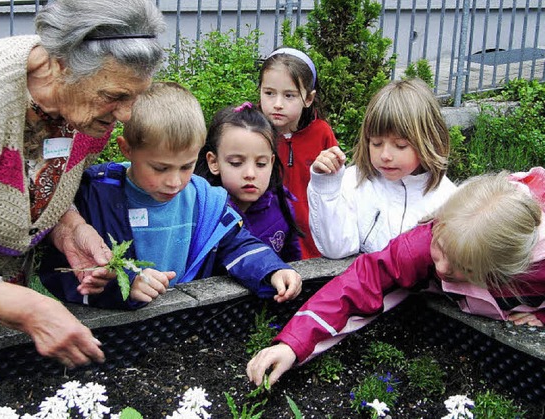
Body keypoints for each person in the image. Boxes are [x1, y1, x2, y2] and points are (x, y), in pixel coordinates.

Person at [0, 0, 165, 368]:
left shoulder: (87, 108)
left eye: (135, 97)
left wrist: (69, 228)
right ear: (61, 64)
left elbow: (31, 183)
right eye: (115, 97)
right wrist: (28, 307)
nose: (126, 115)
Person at [247, 168, 545, 387]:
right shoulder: (419, 246)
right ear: (438, 222)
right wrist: (292, 343)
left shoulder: (535, 269)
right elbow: (360, 283)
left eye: (464, 269)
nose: (441, 268)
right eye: (440, 248)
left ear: (503, 271)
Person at [39, 82, 303, 308]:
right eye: (160, 168)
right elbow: (60, 271)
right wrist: (122, 288)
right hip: (111, 337)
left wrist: (271, 270)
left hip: (180, 327)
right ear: (126, 149)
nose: (175, 181)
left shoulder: (204, 201)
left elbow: (236, 244)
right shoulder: (96, 195)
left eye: (187, 166)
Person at [308, 78, 456, 259]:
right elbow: (336, 248)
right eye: (376, 143)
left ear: (429, 140)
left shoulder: (449, 199)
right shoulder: (353, 182)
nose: (385, 155)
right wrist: (326, 187)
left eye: (400, 145)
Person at [195, 102, 302, 262]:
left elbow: (293, 262)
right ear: (214, 162)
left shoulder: (281, 206)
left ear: (272, 162)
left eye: (261, 164)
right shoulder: (203, 212)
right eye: (237, 163)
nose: (250, 174)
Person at [259, 47, 338, 260]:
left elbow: (337, 187)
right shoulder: (253, 131)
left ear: (309, 98)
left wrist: (330, 167)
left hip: (313, 240)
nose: (277, 104)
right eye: (269, 93)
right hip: (265, 239)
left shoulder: (321, 133)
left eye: (289, 95)